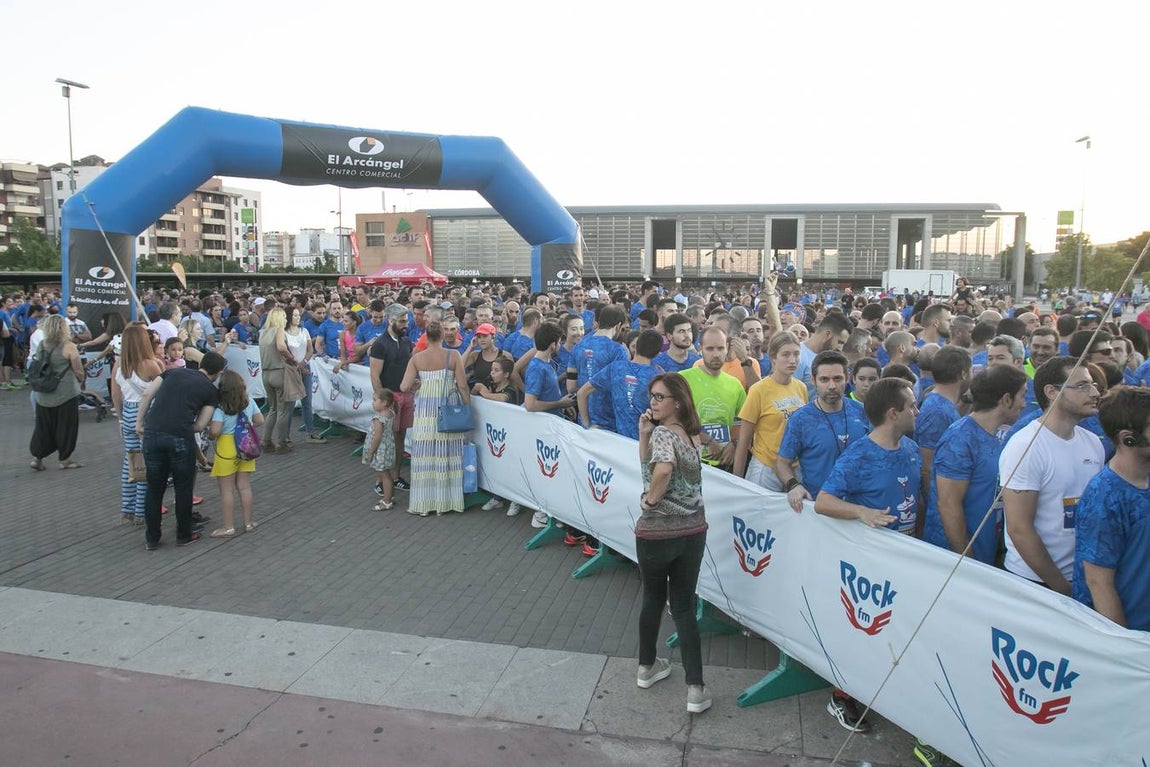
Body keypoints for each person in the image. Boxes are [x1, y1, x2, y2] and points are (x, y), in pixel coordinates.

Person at [813, 377, 923, 737]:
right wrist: (862, 512)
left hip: (905, 562)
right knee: (860, 632)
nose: (916, 411)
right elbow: (825, 502)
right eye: (911, 405)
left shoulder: (909, 447)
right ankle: (841, 695)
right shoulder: (860, 454)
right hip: (868, 569)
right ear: (894, 413)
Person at [634, 372, 711, 715]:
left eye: (660, 397)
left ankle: (646, 668)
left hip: (657, 533)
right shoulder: (689, 435)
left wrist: (650, 502)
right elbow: (649, 468)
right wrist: (642, 435)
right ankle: (696, 689)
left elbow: (661, 472)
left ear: (677, 401)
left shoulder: (665, 433)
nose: (653, 402)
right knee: (683, 607)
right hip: (692, 531)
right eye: (651, 396)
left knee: (652, 599)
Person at [999, 357, 1105, 594]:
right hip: (1034, 583)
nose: (1095, 392)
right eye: (1082, 386)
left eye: (1094, 385)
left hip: (1083, 576)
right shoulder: (1025, 446)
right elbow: (1019, 528)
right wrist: (1061, 587)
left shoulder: (1092, 444)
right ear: (1051, 392)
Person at [923, 364, 1030, 563]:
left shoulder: (993, 435)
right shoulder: (959, 439)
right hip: (956, 562)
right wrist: (967, 561)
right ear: (1006, 400)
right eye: (1022, 396)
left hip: (986, 552)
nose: (1024, 404)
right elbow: (948, 504)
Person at [1074, 387, 1150, 630]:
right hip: (1132, 636)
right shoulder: (1104, 497)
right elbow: (1098, 582)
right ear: (1129, 438)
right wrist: (1123, 648)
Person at [136, 351, 225, 550]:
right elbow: (200, 425)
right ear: (218, 373)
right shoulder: (211, 391)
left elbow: (147, 394)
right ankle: (183, 534)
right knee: (183, 487)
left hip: (153, 433)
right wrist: (182, 426)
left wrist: (139, 423)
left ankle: (152, 538)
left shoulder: (172, 373)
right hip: (179, 437)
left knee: (154, 488)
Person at [776, 350, 871, 512]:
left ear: (847, 378)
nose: (832, 386)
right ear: (813, 380)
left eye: (837, 379)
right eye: (824, 379)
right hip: (818, 508)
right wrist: (794, 485)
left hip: (860, 506)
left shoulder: (862, 412)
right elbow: (782, 462)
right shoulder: (801, 419)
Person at [400, 319, 472, 517]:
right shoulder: (454, 355)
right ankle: (447, 501)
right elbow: (463, 385)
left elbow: (404, 387)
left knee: (425, 456)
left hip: (424, 413)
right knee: (447, 456)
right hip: (447, 412)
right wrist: (467, 406)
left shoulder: (417, 358)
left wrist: (417, 384)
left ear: (426, 336)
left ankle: (424, 502)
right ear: (442, 336)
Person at [734, 331, 807, 489]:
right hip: (766, 469)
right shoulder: (759, 390)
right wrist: (737, 483)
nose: (792, 360)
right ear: (773, 357)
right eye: (785, 355)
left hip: (794, 468)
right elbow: (744, 441)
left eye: (796, 354)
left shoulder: (801, 388)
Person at [110, 324, 165, 525]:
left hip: (128, 410)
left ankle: (128, 508)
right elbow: (165, 387)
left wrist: (120, 418)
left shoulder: (119, 364)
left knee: (131, 463)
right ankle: (142, 510)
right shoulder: (150, 364)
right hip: (146, 413)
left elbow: (115, 394)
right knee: (147, 463)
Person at [207, 370, 265, 537]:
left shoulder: (221, 408)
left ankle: (228, 527)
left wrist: (210, 433)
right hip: (245, 445)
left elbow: (215, 431)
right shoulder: (249, 402)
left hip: (226, 447)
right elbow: (260, 420)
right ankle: (248, 523)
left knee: (226, 490)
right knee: (244, 487)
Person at [28, 315, 85, 471]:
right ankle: (65, 459)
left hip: (44, 393)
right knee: (66, 427)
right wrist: (80, 379)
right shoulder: (69, 346)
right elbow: (78, 369)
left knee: (43, 427)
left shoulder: (41, 344)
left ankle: (37, 458)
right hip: (66, 393)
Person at [369, 303, 415, 494]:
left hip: (405, 395)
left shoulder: (406, 342)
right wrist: (383, 404)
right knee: (386, 440)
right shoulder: (380, 344)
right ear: (391, 320)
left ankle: (395, 477)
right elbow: (374, 375)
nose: (406, 325)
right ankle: (381, 481)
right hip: (390, 397)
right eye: (402, 322)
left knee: (399, 438)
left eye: (406, 321)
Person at [283, 306, 326, 445]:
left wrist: (304, 362)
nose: (297, 317)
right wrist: (297, 365)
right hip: (290, 370)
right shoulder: (283, 333)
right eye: (294, 315)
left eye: (298, 315)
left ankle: (310, 433)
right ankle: (286, 435)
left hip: (304, 366)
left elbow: (309, 349)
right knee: (289, 404)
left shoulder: (304, 331)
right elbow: (284, 352)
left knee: (307, 401)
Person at [258, 307, 295, 454]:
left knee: (273, 409)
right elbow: (281, 346)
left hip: (266, 373)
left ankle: (266, 441)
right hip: (279, 372)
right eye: (285, 317)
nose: (286, 319)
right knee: (283, 410)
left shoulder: (263, 332)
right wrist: (290, 357)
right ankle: (282, 442)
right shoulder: (279, 330)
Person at [364, 389, 398, 512]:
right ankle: (390, 496)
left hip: (380, 450)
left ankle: (386, 501)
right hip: (388, 447)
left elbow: (377, 436)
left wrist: (371, 451)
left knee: (384, 475)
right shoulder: (391, 413)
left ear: (384, 403)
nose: (372, 403)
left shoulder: (378, 418)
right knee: (387, 473)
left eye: (375, 400)